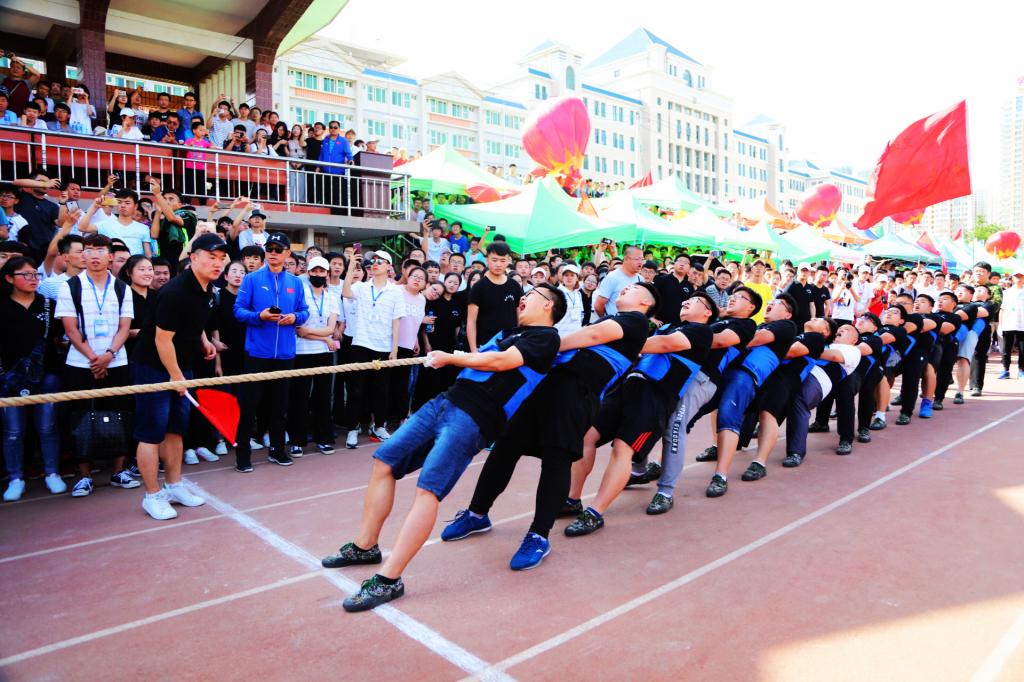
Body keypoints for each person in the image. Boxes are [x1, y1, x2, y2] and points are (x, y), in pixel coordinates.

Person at [324, 283, 567, 612]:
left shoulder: (546, 338)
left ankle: (389, 580)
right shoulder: (510, 332)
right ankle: (365, 546)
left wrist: (450, 357)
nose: (523, 298)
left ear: (549, 306)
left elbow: (500, 361)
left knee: (428, 489)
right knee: (384, 462)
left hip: (473, 419)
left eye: (533, 294)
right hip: (445, 402)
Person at [443, 283, 658, 570]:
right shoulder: (611, 319)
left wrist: (542, 344)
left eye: (632, 288)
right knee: (505, 448)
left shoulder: (636, 321)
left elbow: (593, 336)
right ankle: (477, 514)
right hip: (544, 387)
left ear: (645, 303)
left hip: (575, 394)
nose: (624, 288)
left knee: (556, 460)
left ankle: (538, 535)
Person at [563, 292, 717, 531]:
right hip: (627, 386)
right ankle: (572, 500)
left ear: (707, 312)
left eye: (695, 301)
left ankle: (595, 512)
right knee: (587, 436)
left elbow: (666, 344)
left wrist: (623, 342)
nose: (686, 301)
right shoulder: (665, 326)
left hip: (655, 396)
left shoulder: (701, 331)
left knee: (622, 448)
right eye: (686, 299)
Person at [130, 234, 227, 519]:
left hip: (181, 368)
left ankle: (173, 486)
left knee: (175, 430)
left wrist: (204, 341)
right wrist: (175, 377)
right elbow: (162, 340)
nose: (218, 263)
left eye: (222, 258)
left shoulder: (206, 289)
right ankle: (152, 495)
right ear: (193, 258)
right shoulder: (176, 292)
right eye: (211, 257)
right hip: (153, 368)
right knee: (151, 433)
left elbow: (194, 322)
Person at [55, 233, 137, 497]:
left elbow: (124, 327)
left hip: (117, 361)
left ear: (110, 256)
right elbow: (70, 328)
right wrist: (94, 358)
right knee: (79, 417)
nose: (94, 255)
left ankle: (118, 471)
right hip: (80, 364)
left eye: (100, 250)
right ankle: (85, 475)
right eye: (88, 250)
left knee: (121, 414)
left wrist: (109, 355)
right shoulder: (70, 287)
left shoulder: (122, 288)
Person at [705, 292, 797, 497]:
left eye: (778, 303)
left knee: (764, 415)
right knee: (716, 411)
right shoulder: (754, 325)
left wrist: (731, 336)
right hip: (734, 373)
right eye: (770, 301)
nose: (771, 304)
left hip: (760, 377)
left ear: (788, 314)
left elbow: (753, 340)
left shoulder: (785, 326)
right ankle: (717, 446)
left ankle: (756, 463)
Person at [232, 233, 309, 471]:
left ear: (287, 253)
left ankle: (277, 450)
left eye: (278, 249)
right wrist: (260, 316)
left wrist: (294, 317)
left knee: (280, 407)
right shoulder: (251, 279)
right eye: (269, 248)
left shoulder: (296, 282)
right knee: (249, 406)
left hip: (285, 355)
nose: (273, 253)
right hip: (257, 354)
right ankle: (242, 455)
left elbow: (304, 311)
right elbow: (238, 311)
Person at [1, 256, 66, 501]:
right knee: (13, 430)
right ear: (9, 278)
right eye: (26, 274)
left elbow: (59, 339)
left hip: (47, 374)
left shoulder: (48, 305)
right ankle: (15, 478)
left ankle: (52, 472)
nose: (33, 279)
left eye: (35, 274)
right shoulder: (2, 306)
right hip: (9, 377)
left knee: (47, 427)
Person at [342, 250, 404, 448]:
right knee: (356, 390)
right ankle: (352, 429)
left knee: (381, 391)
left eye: (380, 261)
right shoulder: (361, 287)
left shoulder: (396, 291)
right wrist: (351, 266)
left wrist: (394, 349)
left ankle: (379, 426)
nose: (375, 263)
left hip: (383, 347)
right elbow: (346, 293)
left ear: (389, 266)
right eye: (373, 261)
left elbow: (396, 321)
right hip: (361, 343)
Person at [286, 256, 340, 457]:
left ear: (327, 274)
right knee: (299, 398)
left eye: (321, 271)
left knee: (323, 397)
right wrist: (324, 337)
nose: (318, 274)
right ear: (308, 273)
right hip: (301, 352)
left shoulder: (332, 297)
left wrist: (318, 335)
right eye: (314, 271)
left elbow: (331, 328)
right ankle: (297, 441)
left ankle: (324, 439)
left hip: (324, 354)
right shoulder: (300, 293)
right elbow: (298, 329)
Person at [387, 266, 426, 431]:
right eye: (414, 276)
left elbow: (414, 322)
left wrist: (416, 340)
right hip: (391, 344)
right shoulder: (396, 291)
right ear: (407, 277)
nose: (417, 280)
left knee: (402, 384)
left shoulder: (422, 299)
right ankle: (383, 419)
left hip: (408, 346)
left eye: (421, 278)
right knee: (387, 382)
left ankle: (401, 417)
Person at [467, 242, 522, 352]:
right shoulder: (478, 287)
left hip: (510, 346)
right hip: (485, 346)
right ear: (487, 260)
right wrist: (474, 350)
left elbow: (520, 317)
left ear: (508, 260)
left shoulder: (514, 285)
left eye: (502, 260)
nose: (498, 264)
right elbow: (471, 321)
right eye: (494, 260)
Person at [79, 189, 152, 257]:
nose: (123, 206)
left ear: (135, 206)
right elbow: (82, 228)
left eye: (127, 203)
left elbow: (148, 254)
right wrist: (94, 207)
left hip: (134, 264)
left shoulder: (143, 228)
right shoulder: (105, 224)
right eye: (119, 202)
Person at [594, 245, 643, 316]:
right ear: (626, 259)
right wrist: (607, 319)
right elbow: (598, 305)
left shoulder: (641, 279)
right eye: (637, 259)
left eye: (642, 259)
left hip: (633, 321)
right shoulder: (612, 277)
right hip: (614, 320)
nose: (640, 262)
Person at [651, 254, 694, 326]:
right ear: (674, 264)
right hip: (661, 323)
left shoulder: (689, 286)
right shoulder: (662, 280)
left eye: (686, 263)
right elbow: (651, 298)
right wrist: (651, 317)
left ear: (689, 268)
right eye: (680, 261)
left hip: (679, 325)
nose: (682, 264)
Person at [997, 270, 1024, 380]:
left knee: (1022, 350)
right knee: (1006, 349)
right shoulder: (1006, 292)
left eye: (1021, 277)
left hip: (1022, 325)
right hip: (1008, 324)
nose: (1019, 279)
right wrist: (1000, 325)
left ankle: (1021, 371)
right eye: (1017, 276)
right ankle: (1005, 370)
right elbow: (1002, 309)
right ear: (1012, 278)